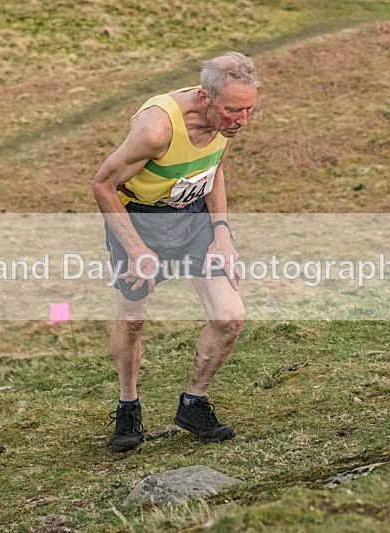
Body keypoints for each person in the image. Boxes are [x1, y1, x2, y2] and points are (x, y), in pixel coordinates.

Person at [92, 51, 260, 452]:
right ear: (205, 97)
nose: (241, 120)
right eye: (233, 110)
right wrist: (136, 249)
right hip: (140, 220)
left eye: (249, 110)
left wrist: (222, 233)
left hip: (194, 220)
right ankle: (128, 405)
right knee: (133, 321)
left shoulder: (225, 122)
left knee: (230, 317)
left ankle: (193, 403)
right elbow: (102, 185)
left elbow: (212, 166)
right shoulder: (157, 129)